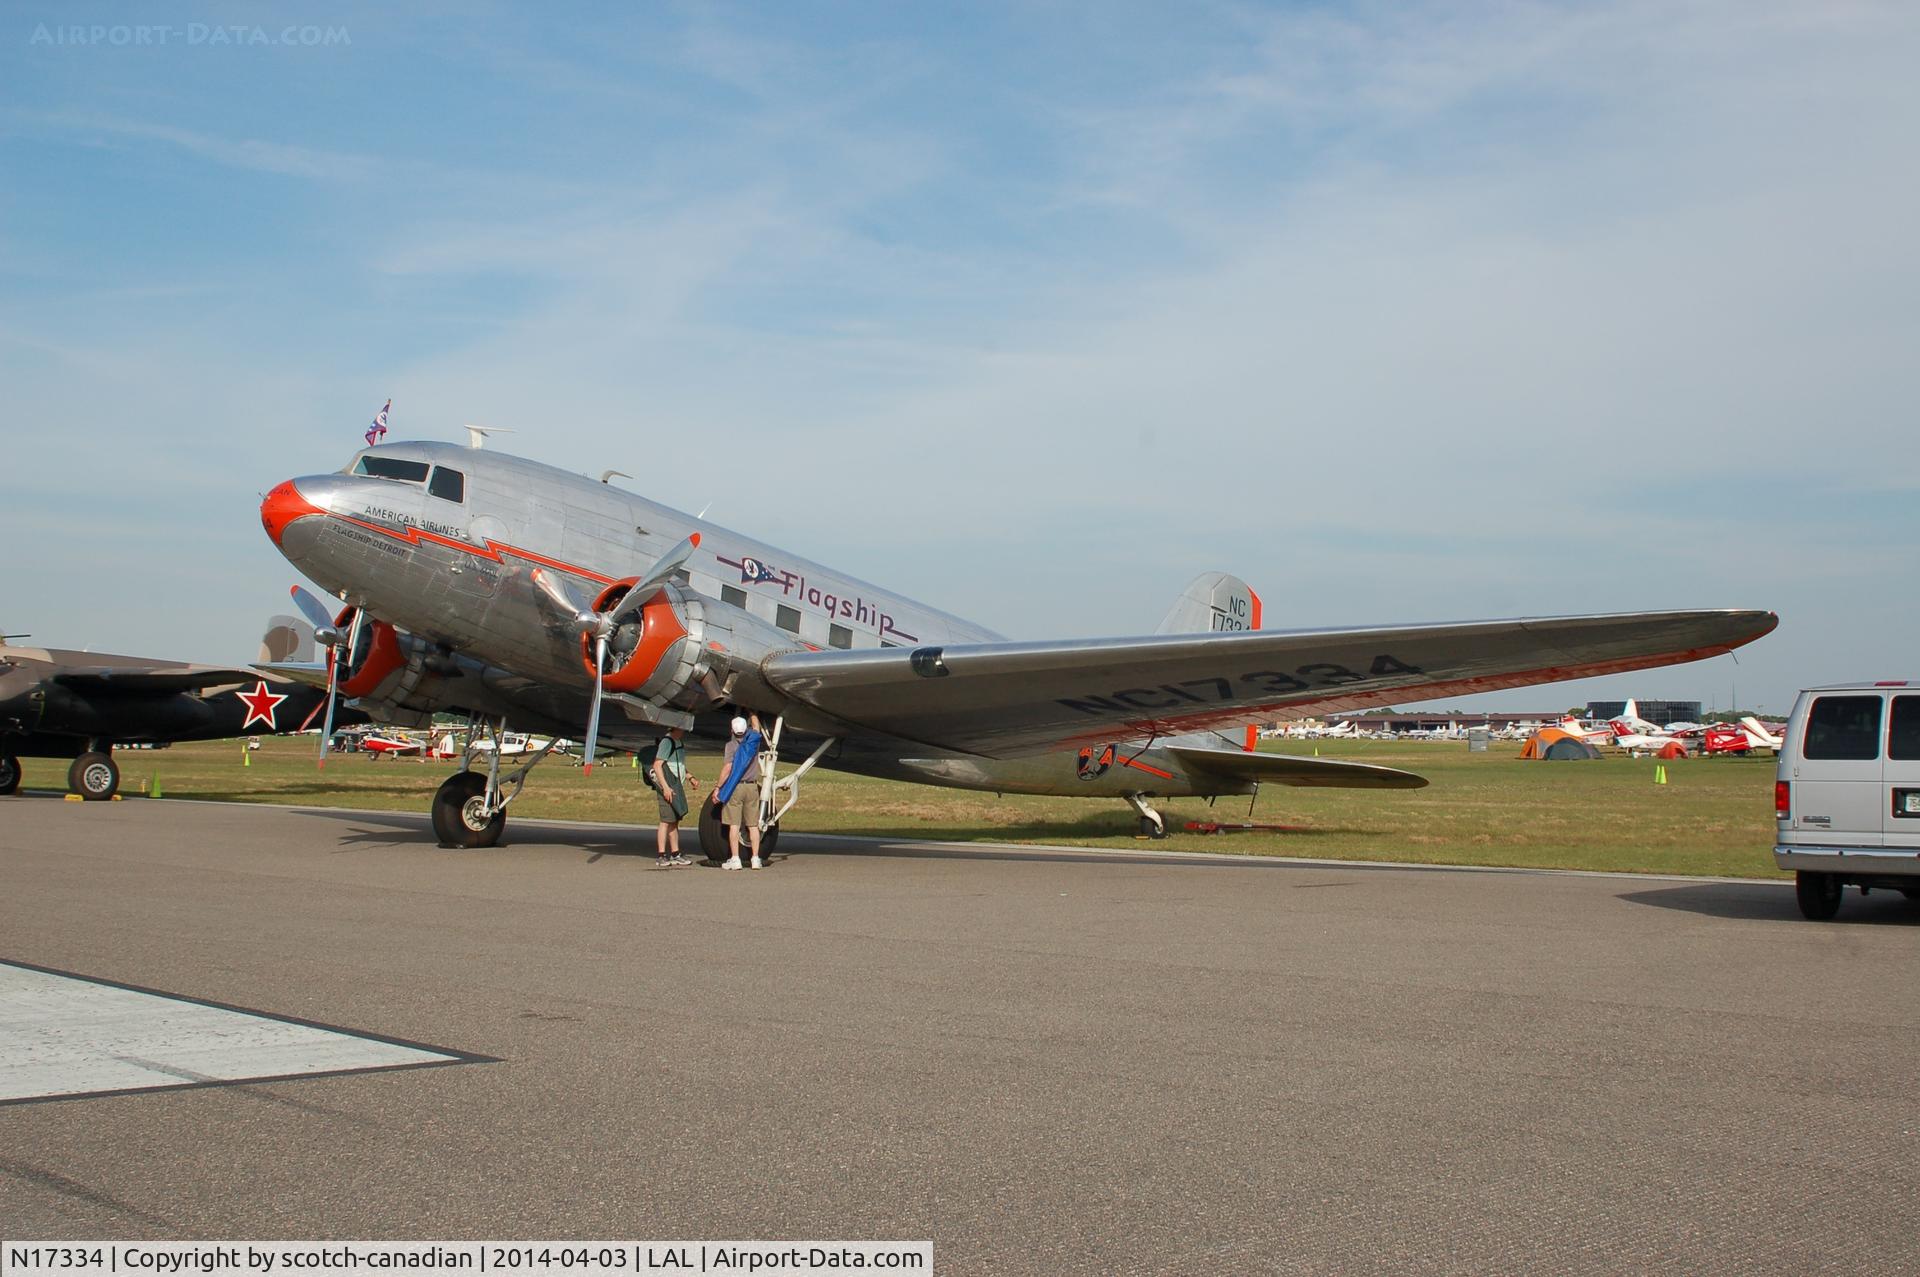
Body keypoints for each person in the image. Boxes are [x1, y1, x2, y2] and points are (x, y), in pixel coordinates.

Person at [712, 712, 768, 870]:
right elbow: (756, 727)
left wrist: (718, 787)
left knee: (734, 825)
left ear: (732, 730)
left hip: (736, 787)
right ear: (746, 729)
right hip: (752, 786)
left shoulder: (730, 746)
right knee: (753, 825)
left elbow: (728, 768)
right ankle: (756, 859)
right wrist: (752, 712)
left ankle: (735, 859)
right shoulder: (754, 741)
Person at [649, 726, 698, 868]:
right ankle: (661, 855)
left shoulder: (678, 742)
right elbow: (657, 765)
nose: (684, 730)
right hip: (668, 786)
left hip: (676, 786)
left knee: (674, 821)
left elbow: (679, 765)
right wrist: (665, 788)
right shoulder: (667, 742)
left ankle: (675, 854)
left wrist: (690, 777)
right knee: (665, 821)